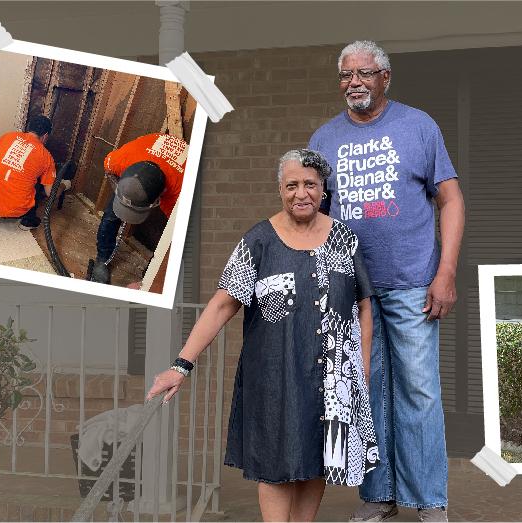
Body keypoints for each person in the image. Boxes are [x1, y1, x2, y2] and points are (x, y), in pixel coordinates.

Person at [145, 150, 378, 522]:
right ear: (280, 190)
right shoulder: (259, 241)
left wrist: (362, 368)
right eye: (292, 185)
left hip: (333, 379)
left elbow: (363, 305)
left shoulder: (344, 240)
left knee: (319, 459)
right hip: (274, 376)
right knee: (275, 464)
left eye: (310, 185)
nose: (301, 193)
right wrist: (181, 364)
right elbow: (222, 305)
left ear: (323, 189)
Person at [308, 40, 465, 522]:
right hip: (353, 290)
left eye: (364, 73)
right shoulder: (323, 139)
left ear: (385, 78)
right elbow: (314, 216)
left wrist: (446, 273)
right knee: (367, 392)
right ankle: (379, 496)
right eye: (345, 75)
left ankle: (428, 500)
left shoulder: (418, 127)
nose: (354, 82)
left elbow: (452, 200)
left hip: (415, 282)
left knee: (418, 391)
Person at [90, 133, 188, 284]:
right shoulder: (120, 160)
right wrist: (122, 190)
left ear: (157, 199)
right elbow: (109, 172)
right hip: (132, 177)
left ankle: (149, 275)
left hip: (172, 179)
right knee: (110, 217)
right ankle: (102, 259)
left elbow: (178, 238)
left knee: (169, 238)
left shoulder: (181, 192)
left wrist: (148, 283)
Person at [0, 115, 66, 230]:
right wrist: (64, 185)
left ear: (28, 128)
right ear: (45, 136)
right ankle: (27, 221)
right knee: (38, 184)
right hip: (17, 212)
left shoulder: (8, 136)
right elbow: (51, 193)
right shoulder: (46, 157)